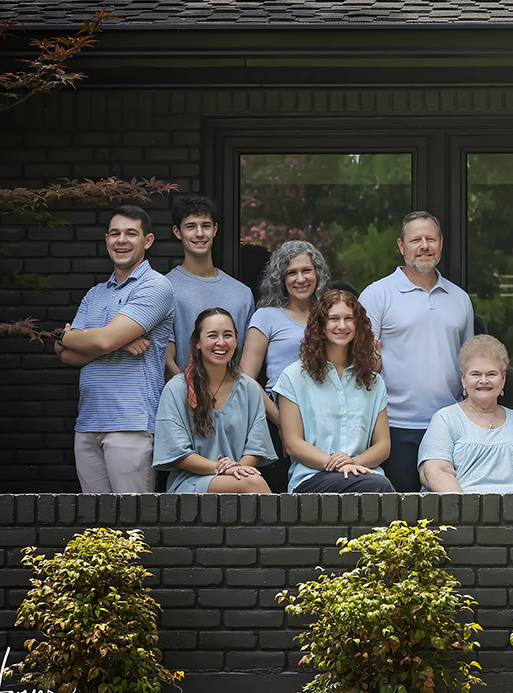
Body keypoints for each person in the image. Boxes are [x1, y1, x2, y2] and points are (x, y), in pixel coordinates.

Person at [56, 206, 174, 494]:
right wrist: (65, 336)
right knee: (97, 526)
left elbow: (103, 341)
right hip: (88, 423)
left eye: (131, 234)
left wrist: (81, 336)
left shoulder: (156, 286)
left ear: (147, 241)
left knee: (132, 524)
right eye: (115, 233)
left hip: (130, 423)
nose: (121, 240)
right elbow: (65, 354)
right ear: (106, 240)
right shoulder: (96, 293)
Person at [360, 211, 474, 492]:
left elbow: (469, 364)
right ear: (401, 246)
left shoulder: (460, 299)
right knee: (400, 514)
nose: (424, 246)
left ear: (441, 244)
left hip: (449, 425)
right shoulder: (376, 295)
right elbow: (361, 362)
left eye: (430, 239)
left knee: (445, 515)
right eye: (416, 240)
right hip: (394, 426)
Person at [275, 288, 395, 494]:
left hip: (364, 474)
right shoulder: (293, 377)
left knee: (379, 487)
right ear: (321, 326)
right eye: (334, 319)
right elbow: (293, 444)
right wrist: (338, 465)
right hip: (312, 478)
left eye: (349, 318)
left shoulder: (374, 381)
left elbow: (383, 445)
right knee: (380, 488)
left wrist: (353, 462)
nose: (342, 325)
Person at [152, 308, 274, 493]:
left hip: (238, 476)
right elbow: (178, 454)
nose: (221, 342)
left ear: (236, 339)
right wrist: (224, 469)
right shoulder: (177, 389)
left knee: (251, 482)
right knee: (254, 483)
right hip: (190, 483)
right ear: (198, 342)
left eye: (228, 335)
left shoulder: (249, 388)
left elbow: (256, 448)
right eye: (212, 335)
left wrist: (236, 468)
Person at [418, 335, 513, 494]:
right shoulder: (446, 418)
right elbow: (435, 471)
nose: (484, 380)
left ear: (503, 378)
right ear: (463, 379)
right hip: (466, 511)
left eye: (491, 374)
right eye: (475, 374)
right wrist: (466, 512)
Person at [240, 240, 331, 428]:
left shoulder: (331, 316)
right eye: (291, 273)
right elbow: (246, 379)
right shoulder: (266, 316)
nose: (300, 279)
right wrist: (282, 423)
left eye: (306, 270)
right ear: (281, 278)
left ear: (317, 273)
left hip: (326, 415)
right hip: (279, 413)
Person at [163, 196, 255, 381]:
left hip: (234, 402)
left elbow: (248, 360)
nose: (199, 233)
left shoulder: (242, 294)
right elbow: (165, 360)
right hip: (184, 402)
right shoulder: (164, 289)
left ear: (215, 229)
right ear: (177, 231)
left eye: (205, 225)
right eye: (190, 226)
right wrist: (190, 395)